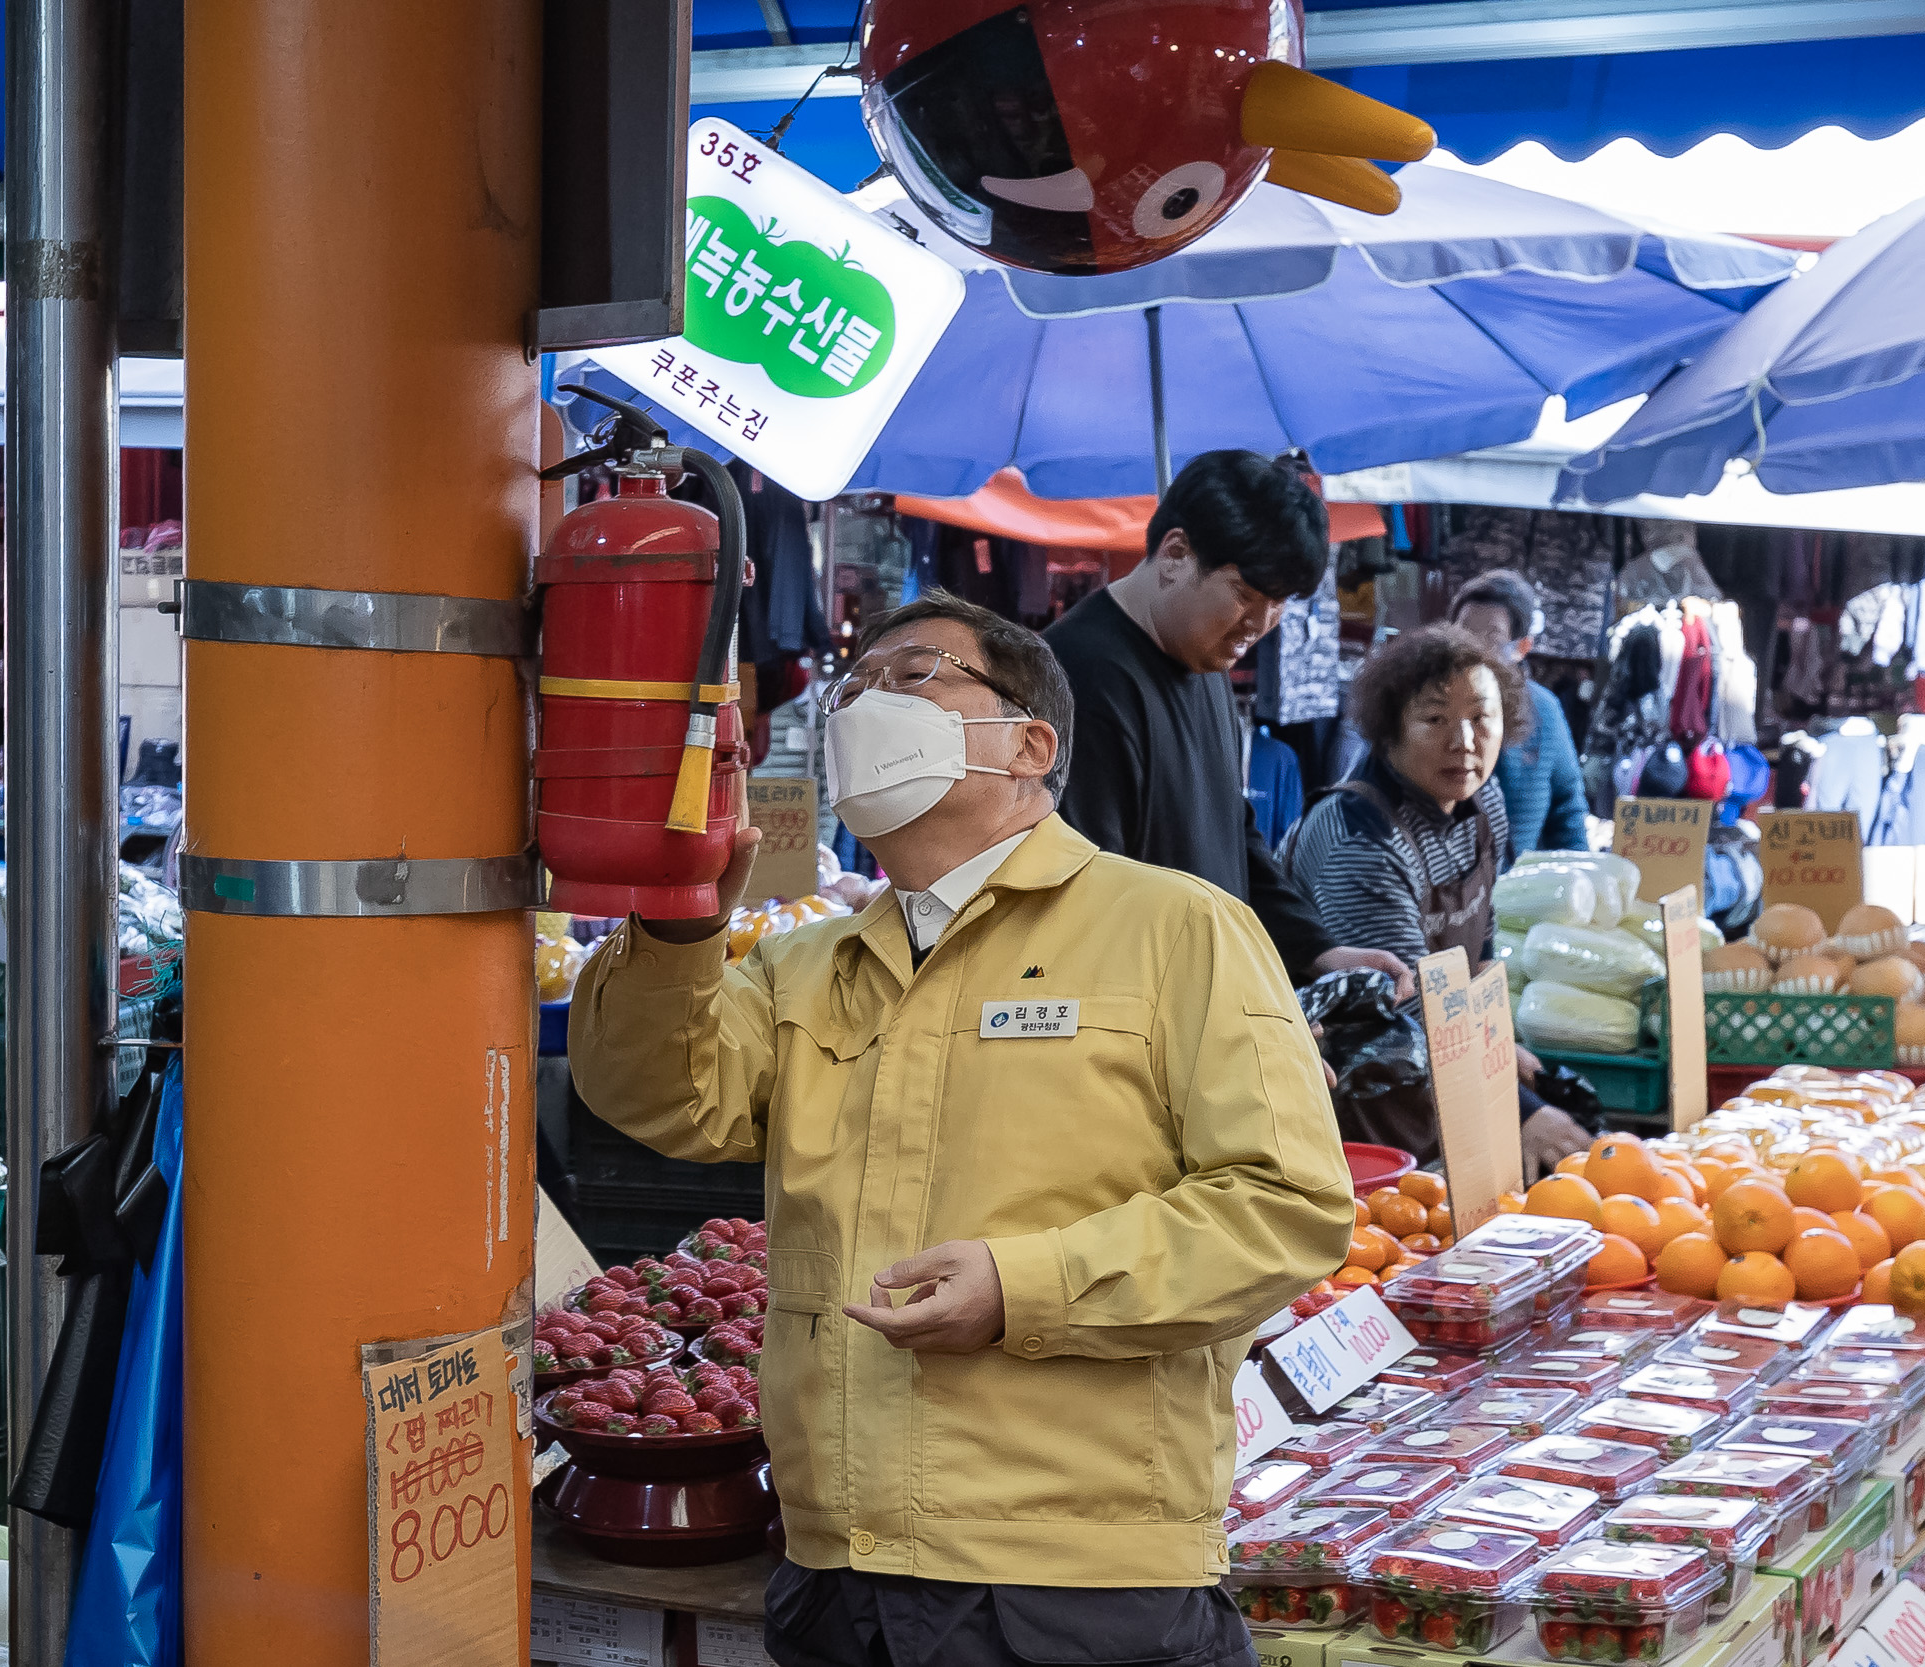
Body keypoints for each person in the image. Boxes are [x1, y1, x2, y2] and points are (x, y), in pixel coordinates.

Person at [570, 590, 1350, 1667]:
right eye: (852, 686)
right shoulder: (805, 962)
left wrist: (1024, 1286)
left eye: (913, 674)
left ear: (1028, 743)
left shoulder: (1177, 927)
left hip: (1075, 1582)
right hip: (837, 1566)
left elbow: (1286, 1207)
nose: (863, 704)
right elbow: (655, 1093)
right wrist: (676, 915)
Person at [1045, 450, 1414, 994]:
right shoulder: (1076, 678)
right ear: (1175, 554)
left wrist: (1318, 950)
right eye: (1245, 594)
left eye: (1279, 602)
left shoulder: (1204, 657)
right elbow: (1088, 900)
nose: (1260, 624)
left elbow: (1231, 830)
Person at [1279, 625, 1591, 1177]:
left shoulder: (1483, 801)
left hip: (1446, 1085)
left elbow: (1482, 950)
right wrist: (1525, 1113)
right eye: (1435, 719)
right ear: (1388, 729)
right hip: (1356, 1112)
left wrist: (1501, 1046)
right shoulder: (1357, 839)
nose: (1465, 741)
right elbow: (1407, 1005)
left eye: (1481, 717)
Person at [1450, 570, 1589, 852]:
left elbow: (1567, 807)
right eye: (1463, 634)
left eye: (1491, 638)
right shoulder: (1426, 706)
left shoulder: (1543, 710)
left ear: (1522, 647)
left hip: (1513, 888)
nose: (1472, 649)